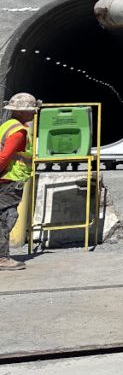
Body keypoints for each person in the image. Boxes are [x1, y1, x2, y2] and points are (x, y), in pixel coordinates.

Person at [0, 92, 39, 270]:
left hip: (6, 179)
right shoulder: (19, 132)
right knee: (6, 218)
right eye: (31, 110)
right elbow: (5, 156)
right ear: (21, 112)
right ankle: (2, 258)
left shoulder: (7, 125)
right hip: (9, 181)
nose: (34, 113)